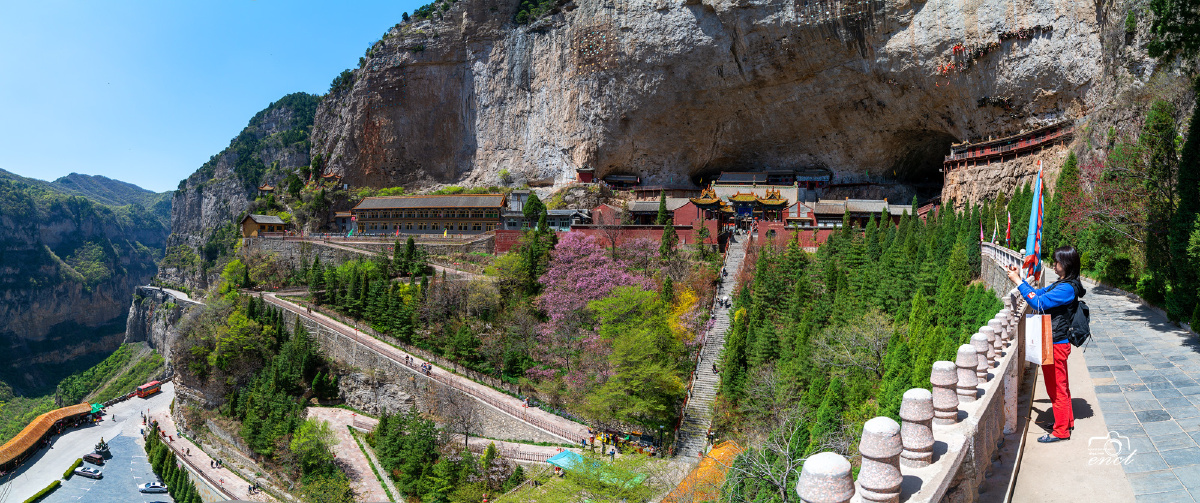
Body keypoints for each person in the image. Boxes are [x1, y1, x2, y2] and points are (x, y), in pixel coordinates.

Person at [1007, 245, 1085, 443]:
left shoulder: (1067, 288)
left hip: (1057, 343)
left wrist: (1017, 282)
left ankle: (1061, 431)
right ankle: (1065, 421)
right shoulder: (1063, 283)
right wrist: (1022, 280)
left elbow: (1038, 304)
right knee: (1059, 386)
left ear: (1065, 264)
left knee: (1057, 388)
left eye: (1057, 261)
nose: (1054, 264)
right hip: (1055, 341)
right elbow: (1039, 294)